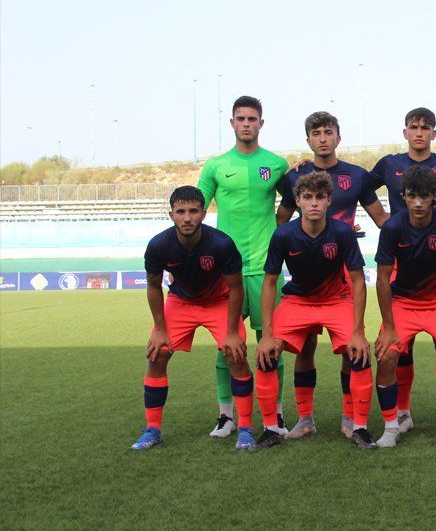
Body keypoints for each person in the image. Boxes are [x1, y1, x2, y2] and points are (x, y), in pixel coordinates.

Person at [279, 111, 389, 439]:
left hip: (343, 271)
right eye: (317, 133)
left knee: (349, 347)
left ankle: (349, 416)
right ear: (308, 140)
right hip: (307, 270)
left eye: (329, 132)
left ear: (338, 138)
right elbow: (281, 220)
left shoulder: (357, 176)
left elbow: (382, 218)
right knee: (305, 345)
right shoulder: (294, 177)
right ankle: (306, 418)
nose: (323, 138)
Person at [255, 171, 373, 450]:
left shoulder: (343, 232)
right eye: (307, 197)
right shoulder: (283, 234)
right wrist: (267, 334)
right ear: (297, 201)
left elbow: (358, 280)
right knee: (266, 353)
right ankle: (275, 427)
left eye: (320, 197)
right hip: (298, 301)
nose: (314, 203)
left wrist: (359, 331)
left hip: (336, 300)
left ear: (329, 200)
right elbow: (270, 282)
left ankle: (359, 426)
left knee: (359, 352)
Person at [368, 107, 436, 433]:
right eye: (414, 127)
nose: (420, 132)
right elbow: (360, 187)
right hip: (401, 258)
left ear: (434, 133)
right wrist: (384, 223)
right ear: (405, 132)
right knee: (397, 347)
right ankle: (401, 413)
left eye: (426, 127)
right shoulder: (389, 164)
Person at [131, 187, 254, 451]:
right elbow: (153, 286)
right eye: (181, 212)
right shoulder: (158, 245)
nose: (187, 218)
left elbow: (235, 288)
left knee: (236, 354)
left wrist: (232, 331)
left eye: (193, 211)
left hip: (217, 302)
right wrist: (160, 329)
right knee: (157, 354)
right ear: (171, 214)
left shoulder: (221, 243)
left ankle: (245, 427)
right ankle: (153, 429)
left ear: (204, 214)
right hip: (181, 302)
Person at [197, 96, 290, 438]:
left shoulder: (277, 164)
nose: (247, 123)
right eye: (241, 118)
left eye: (253, 118)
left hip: (266, 269)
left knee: (272, 342)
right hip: (227, 271)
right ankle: (226, 416)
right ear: (232, 123)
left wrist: (279, 228)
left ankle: (276, 415)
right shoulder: (216, 166)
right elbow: (195, 207)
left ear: (261, 124)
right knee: (228, 344)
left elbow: (295, 199)